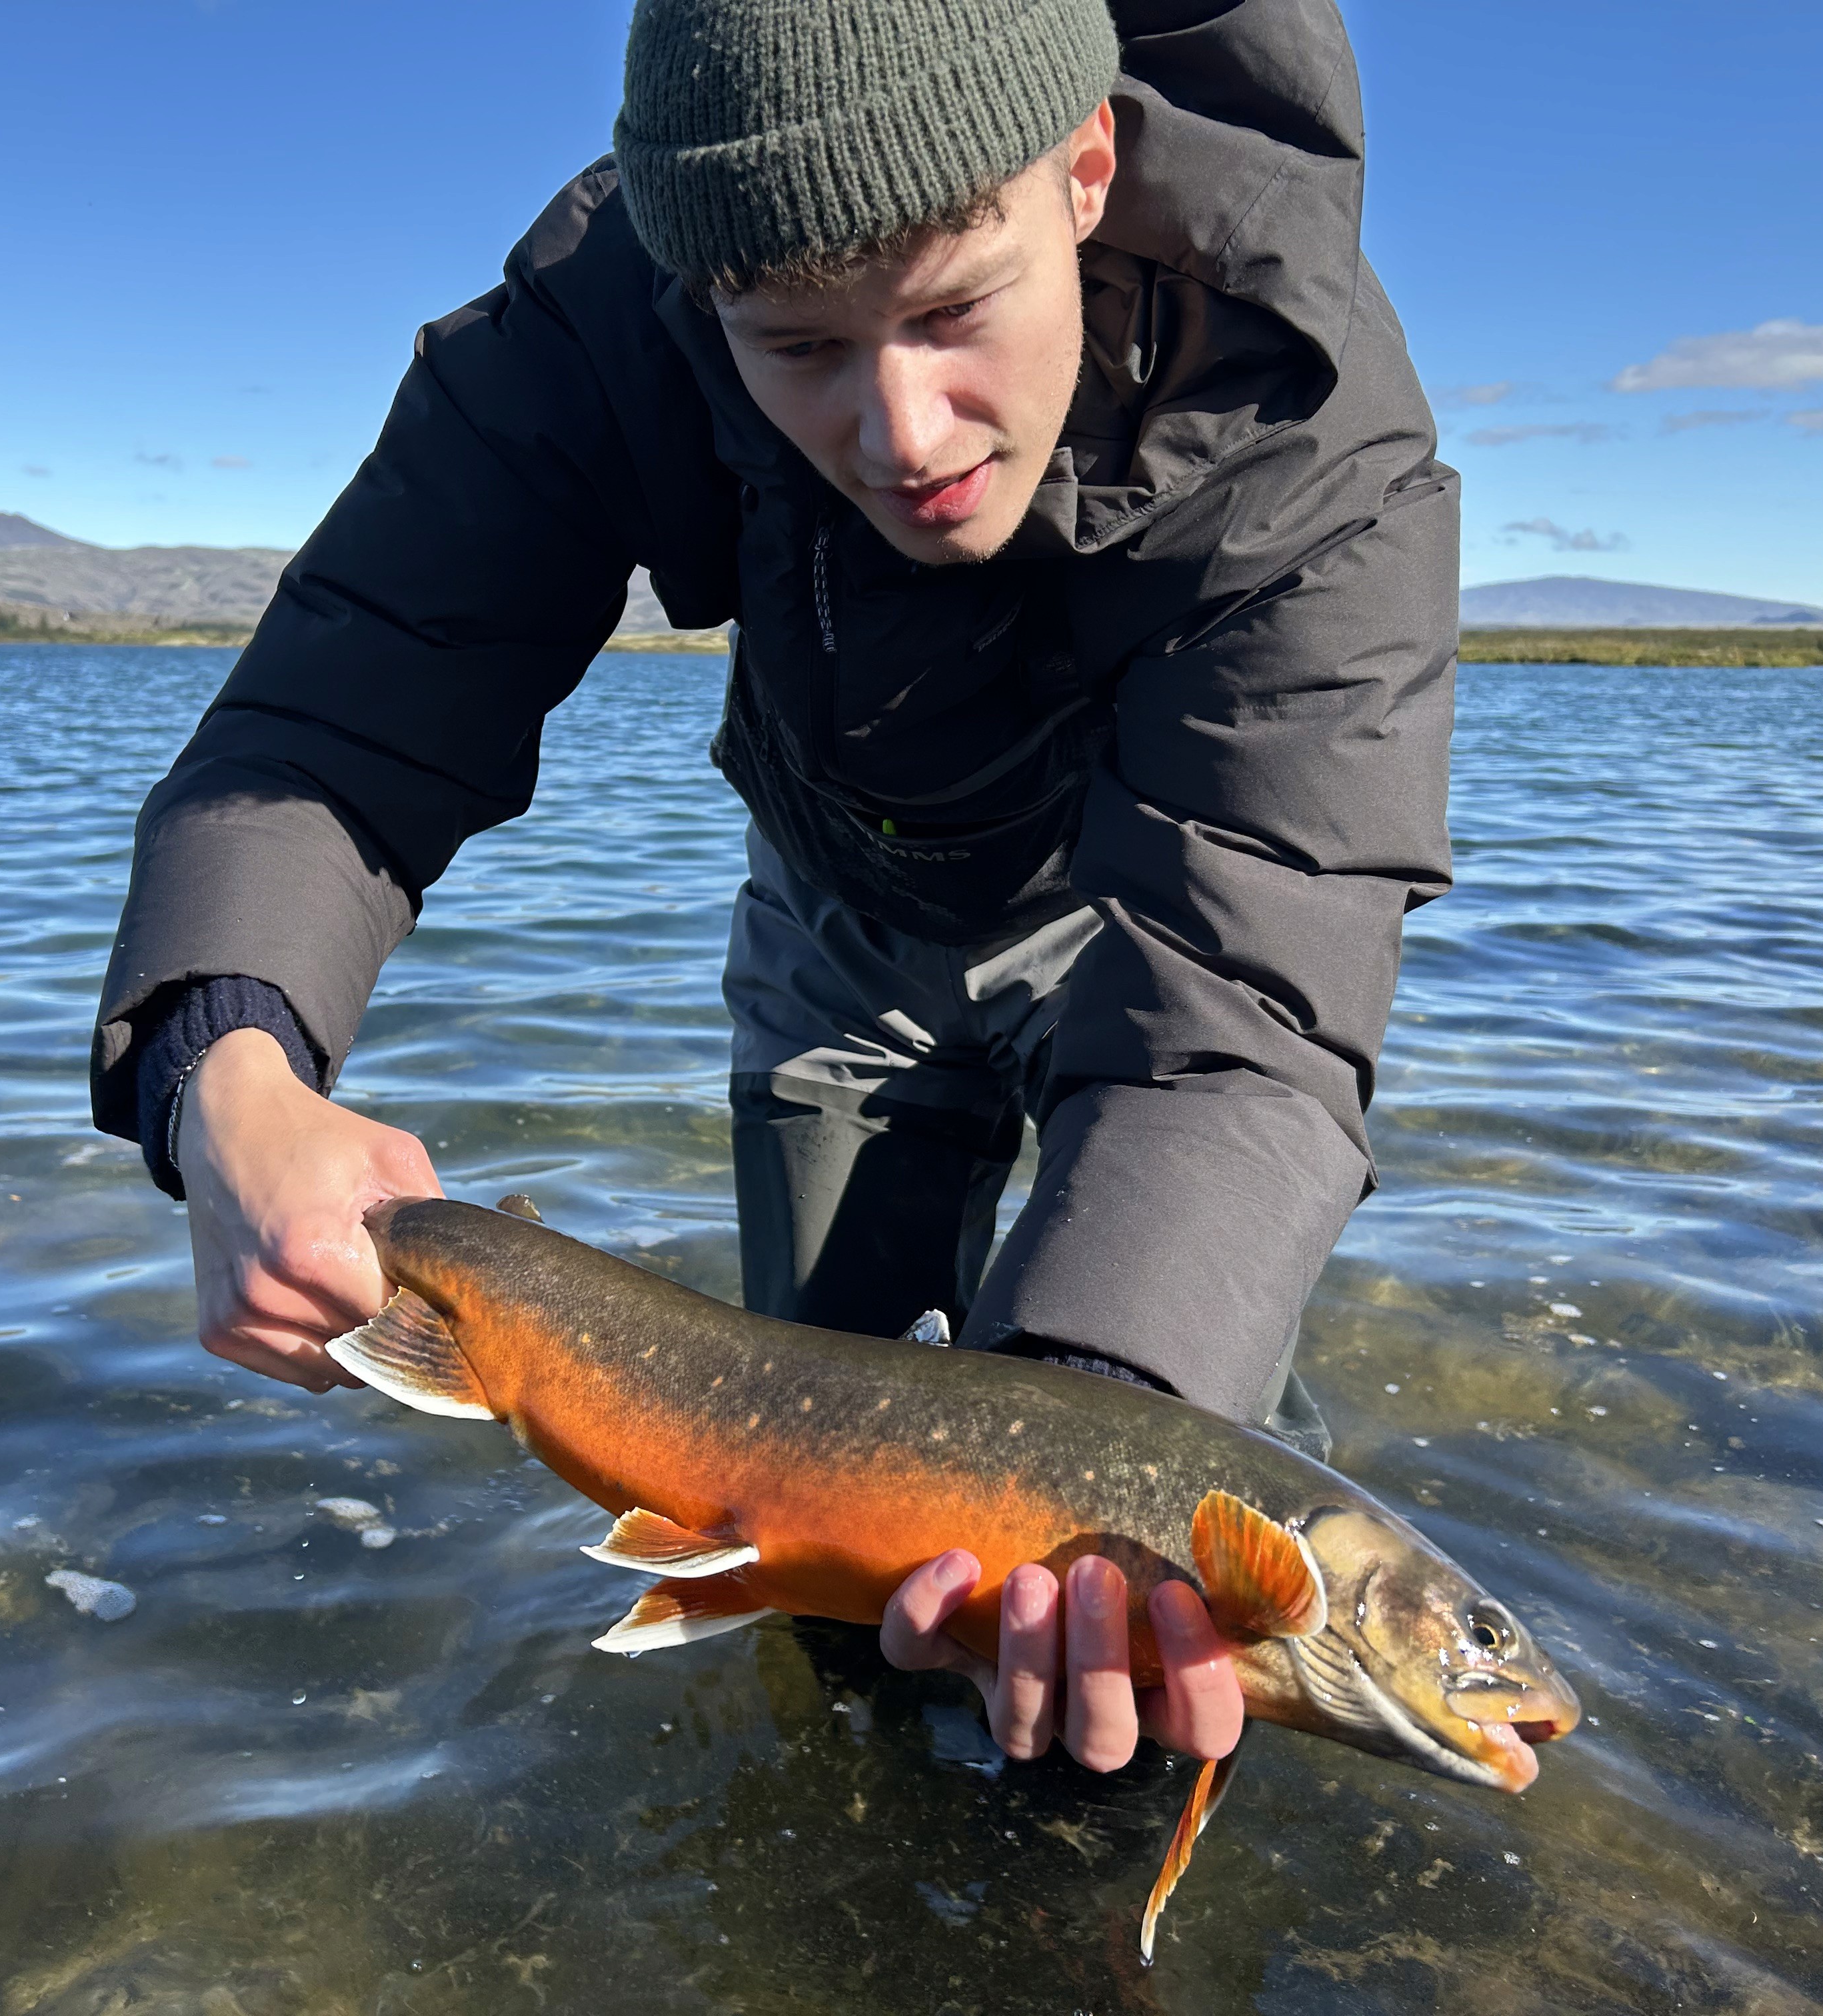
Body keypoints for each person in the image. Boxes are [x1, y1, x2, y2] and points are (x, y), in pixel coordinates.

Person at [89, 0, 1456, 1777]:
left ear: (1084, 173)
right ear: (699, 292)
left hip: (1153, 931)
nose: (901, 427)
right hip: (838, 910)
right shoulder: (610, 305)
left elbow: (1244, 1013)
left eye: (957, 312)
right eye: (796, 346)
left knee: (1133, 1572)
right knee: (808, 1545)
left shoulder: (1316, 420)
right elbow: (344, 708)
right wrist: (226, 1069)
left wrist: (1101, 1409)